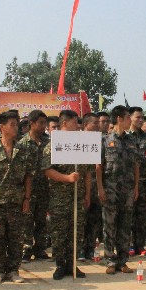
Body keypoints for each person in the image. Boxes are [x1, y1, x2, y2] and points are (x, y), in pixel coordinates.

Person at [0, 110, 34, 284]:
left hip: (17, 202)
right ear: (2, 127)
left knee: (16, 238)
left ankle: (13, 270)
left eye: (17, 124)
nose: (16, 127)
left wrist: (26, 199)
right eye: (12, 124)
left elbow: (29, 176)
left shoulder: (23, 151)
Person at [42, 110, 91, 280]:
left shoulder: (82, 143)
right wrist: (67, 178)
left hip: (78, 197)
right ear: (64, 123)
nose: (77, 126)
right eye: (74, 122)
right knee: (59, 232)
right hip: (60, 198)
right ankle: (60, 265)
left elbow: (87, 172)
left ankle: (72, 264)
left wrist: (87, 194)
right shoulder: (54, 144)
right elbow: (47, 170)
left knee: (76, 231)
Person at [97, 106, 138, 274]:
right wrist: (100, 188)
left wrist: (136, 187)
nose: (131, 121)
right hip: (110, 189)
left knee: (125, 226)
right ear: (119, 119)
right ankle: (109, 260)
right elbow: (98, 167)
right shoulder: (104, 140)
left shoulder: (131, 141)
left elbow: (136, 165)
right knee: (109, 226)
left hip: (127, 190)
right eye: (128, 117)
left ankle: (122, 260)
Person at [17, 110, 51, 262]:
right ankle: (26, 249)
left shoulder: (47, 143)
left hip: (44, 187)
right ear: (32, 123)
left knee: (41, 220)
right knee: (26, 221)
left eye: (45, 123)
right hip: (27, 189)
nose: (44, 126)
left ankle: (40, 249)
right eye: (41, 123)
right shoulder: (21, 144)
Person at [128, 107, 146, 256]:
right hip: (127, 182)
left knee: (142, 215)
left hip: (144, 182)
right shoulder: (125, 137)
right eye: (138, 117)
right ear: (129, 118)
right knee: (128, 215)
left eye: (142, 117)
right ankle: (129, 245)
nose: (140, 120)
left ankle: (140, 245)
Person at [80, 113, 102, 260]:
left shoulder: (102, 141)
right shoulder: (77, 140)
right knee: (82, 219)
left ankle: (90, 248)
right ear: (86, 124)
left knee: (94, 220)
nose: (98, 126)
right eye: (95, 123)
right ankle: (80, 249)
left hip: (97, 186)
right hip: (83, 186)